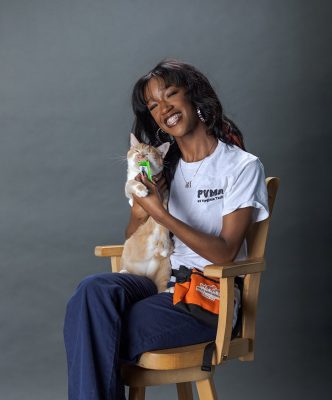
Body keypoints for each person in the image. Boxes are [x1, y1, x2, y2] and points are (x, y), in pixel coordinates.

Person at [63, 59, 269, 400]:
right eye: (153, 105)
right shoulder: (163, 167)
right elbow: (131, 235)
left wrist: (163, 213)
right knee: (91, 293)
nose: (163, 109)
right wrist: (144, 205)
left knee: (91, 326)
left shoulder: (240, 166)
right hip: (159, 282)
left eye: (170, 95)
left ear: (194, 96)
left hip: (207, 297)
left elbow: (225, 252)